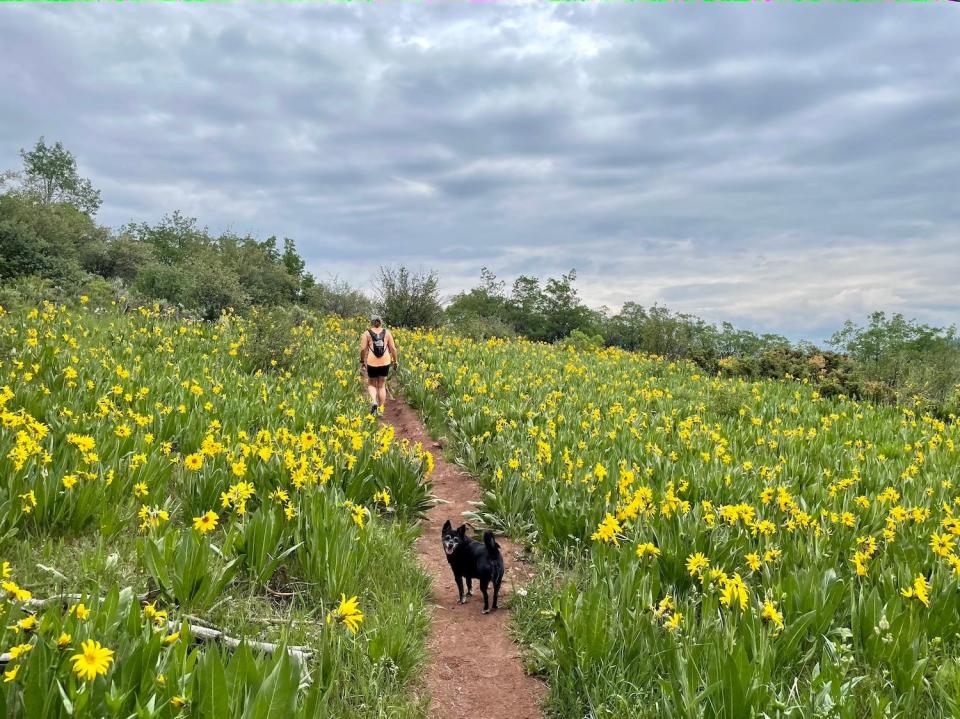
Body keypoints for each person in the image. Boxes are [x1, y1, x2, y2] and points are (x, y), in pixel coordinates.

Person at [359, 314, 397, 415]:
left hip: (372, 362)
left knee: (371, 384)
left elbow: (363, 349)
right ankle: (380, 409)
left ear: (371, 322)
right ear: (381, 322)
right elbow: (393, 349)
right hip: (385, 362)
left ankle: (374, 402)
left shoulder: (367, 333)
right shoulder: (387, 333)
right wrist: (395, 361)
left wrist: (362, 361)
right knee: (381, 385)